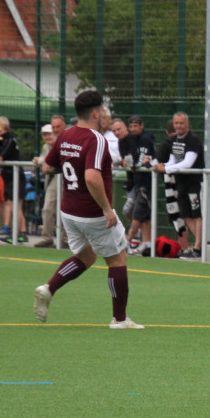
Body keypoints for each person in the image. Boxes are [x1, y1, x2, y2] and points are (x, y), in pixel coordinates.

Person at [33, 90, 141, 329]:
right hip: (92, 212)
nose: (103, 114)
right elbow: (92, 177)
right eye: (102, 110)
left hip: (69, 212)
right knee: (117, 258)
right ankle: (120, 319)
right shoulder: (96, 139)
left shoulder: (66, 134)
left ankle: (49, 288)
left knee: (87, 256)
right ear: (95, 113)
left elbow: (48, 167)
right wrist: (107, 209)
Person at [154, 111, 206, 258]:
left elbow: (187, 163)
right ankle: (200, 245)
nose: (178, 126)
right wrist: (162, 166)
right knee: (185, 215)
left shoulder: (193, 140)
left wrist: (165, 169)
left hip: (194, 182)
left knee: (196, 214)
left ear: (187, 124)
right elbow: (173, 160)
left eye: (181, 123)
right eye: (176, 123)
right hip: (180, 182)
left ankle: (198, 247)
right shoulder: (175, 140)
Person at [120, 115, 156, 255]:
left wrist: (135, 165)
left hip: (146, 183)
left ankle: (126, 243)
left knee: (137, 214)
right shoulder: (130, 140)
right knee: (143, 216)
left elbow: (146, 160)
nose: (133, 129)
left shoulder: (146, 139)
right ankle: (147, 244)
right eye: (131, 126)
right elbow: (130, 160)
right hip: (137, 181)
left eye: (136, 126)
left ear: (142, 126)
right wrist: (126, 162)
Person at [0, 117, 27, 243]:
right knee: (14, 206)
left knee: (16, 206)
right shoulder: (2, 141)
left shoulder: (10, 140)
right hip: (8, 176)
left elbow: (0, 156)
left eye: (0, 132)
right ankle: (22, 232)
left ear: (6, 130)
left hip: (16, 176)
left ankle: (16, 234)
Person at [32, 123, 60, 248]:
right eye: (44, 134)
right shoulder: (45, 147)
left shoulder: (61, 144)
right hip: (53, 178)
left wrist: (40, 161)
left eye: (49, 134)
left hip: (65, 178)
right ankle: (47, 238)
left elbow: (48, 161)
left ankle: (66, 240)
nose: (47, 137)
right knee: (48, 208)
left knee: (66, 211)